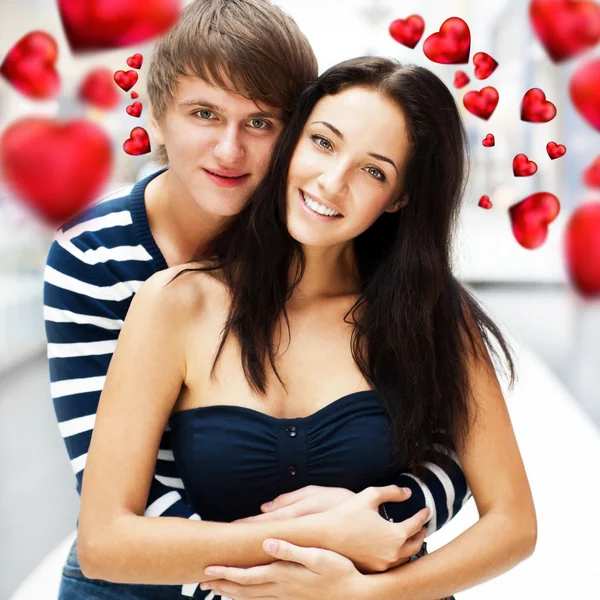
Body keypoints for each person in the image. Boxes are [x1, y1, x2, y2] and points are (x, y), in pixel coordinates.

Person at [44, 2, 469, 599]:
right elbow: (119, 503)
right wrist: (304, 562)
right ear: (157, 113)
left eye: (261, 123)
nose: (228, 151)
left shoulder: (338, 229)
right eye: (203, 113)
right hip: (160, 569)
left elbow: (444, 441)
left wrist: (375, 535)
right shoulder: (95, 256)